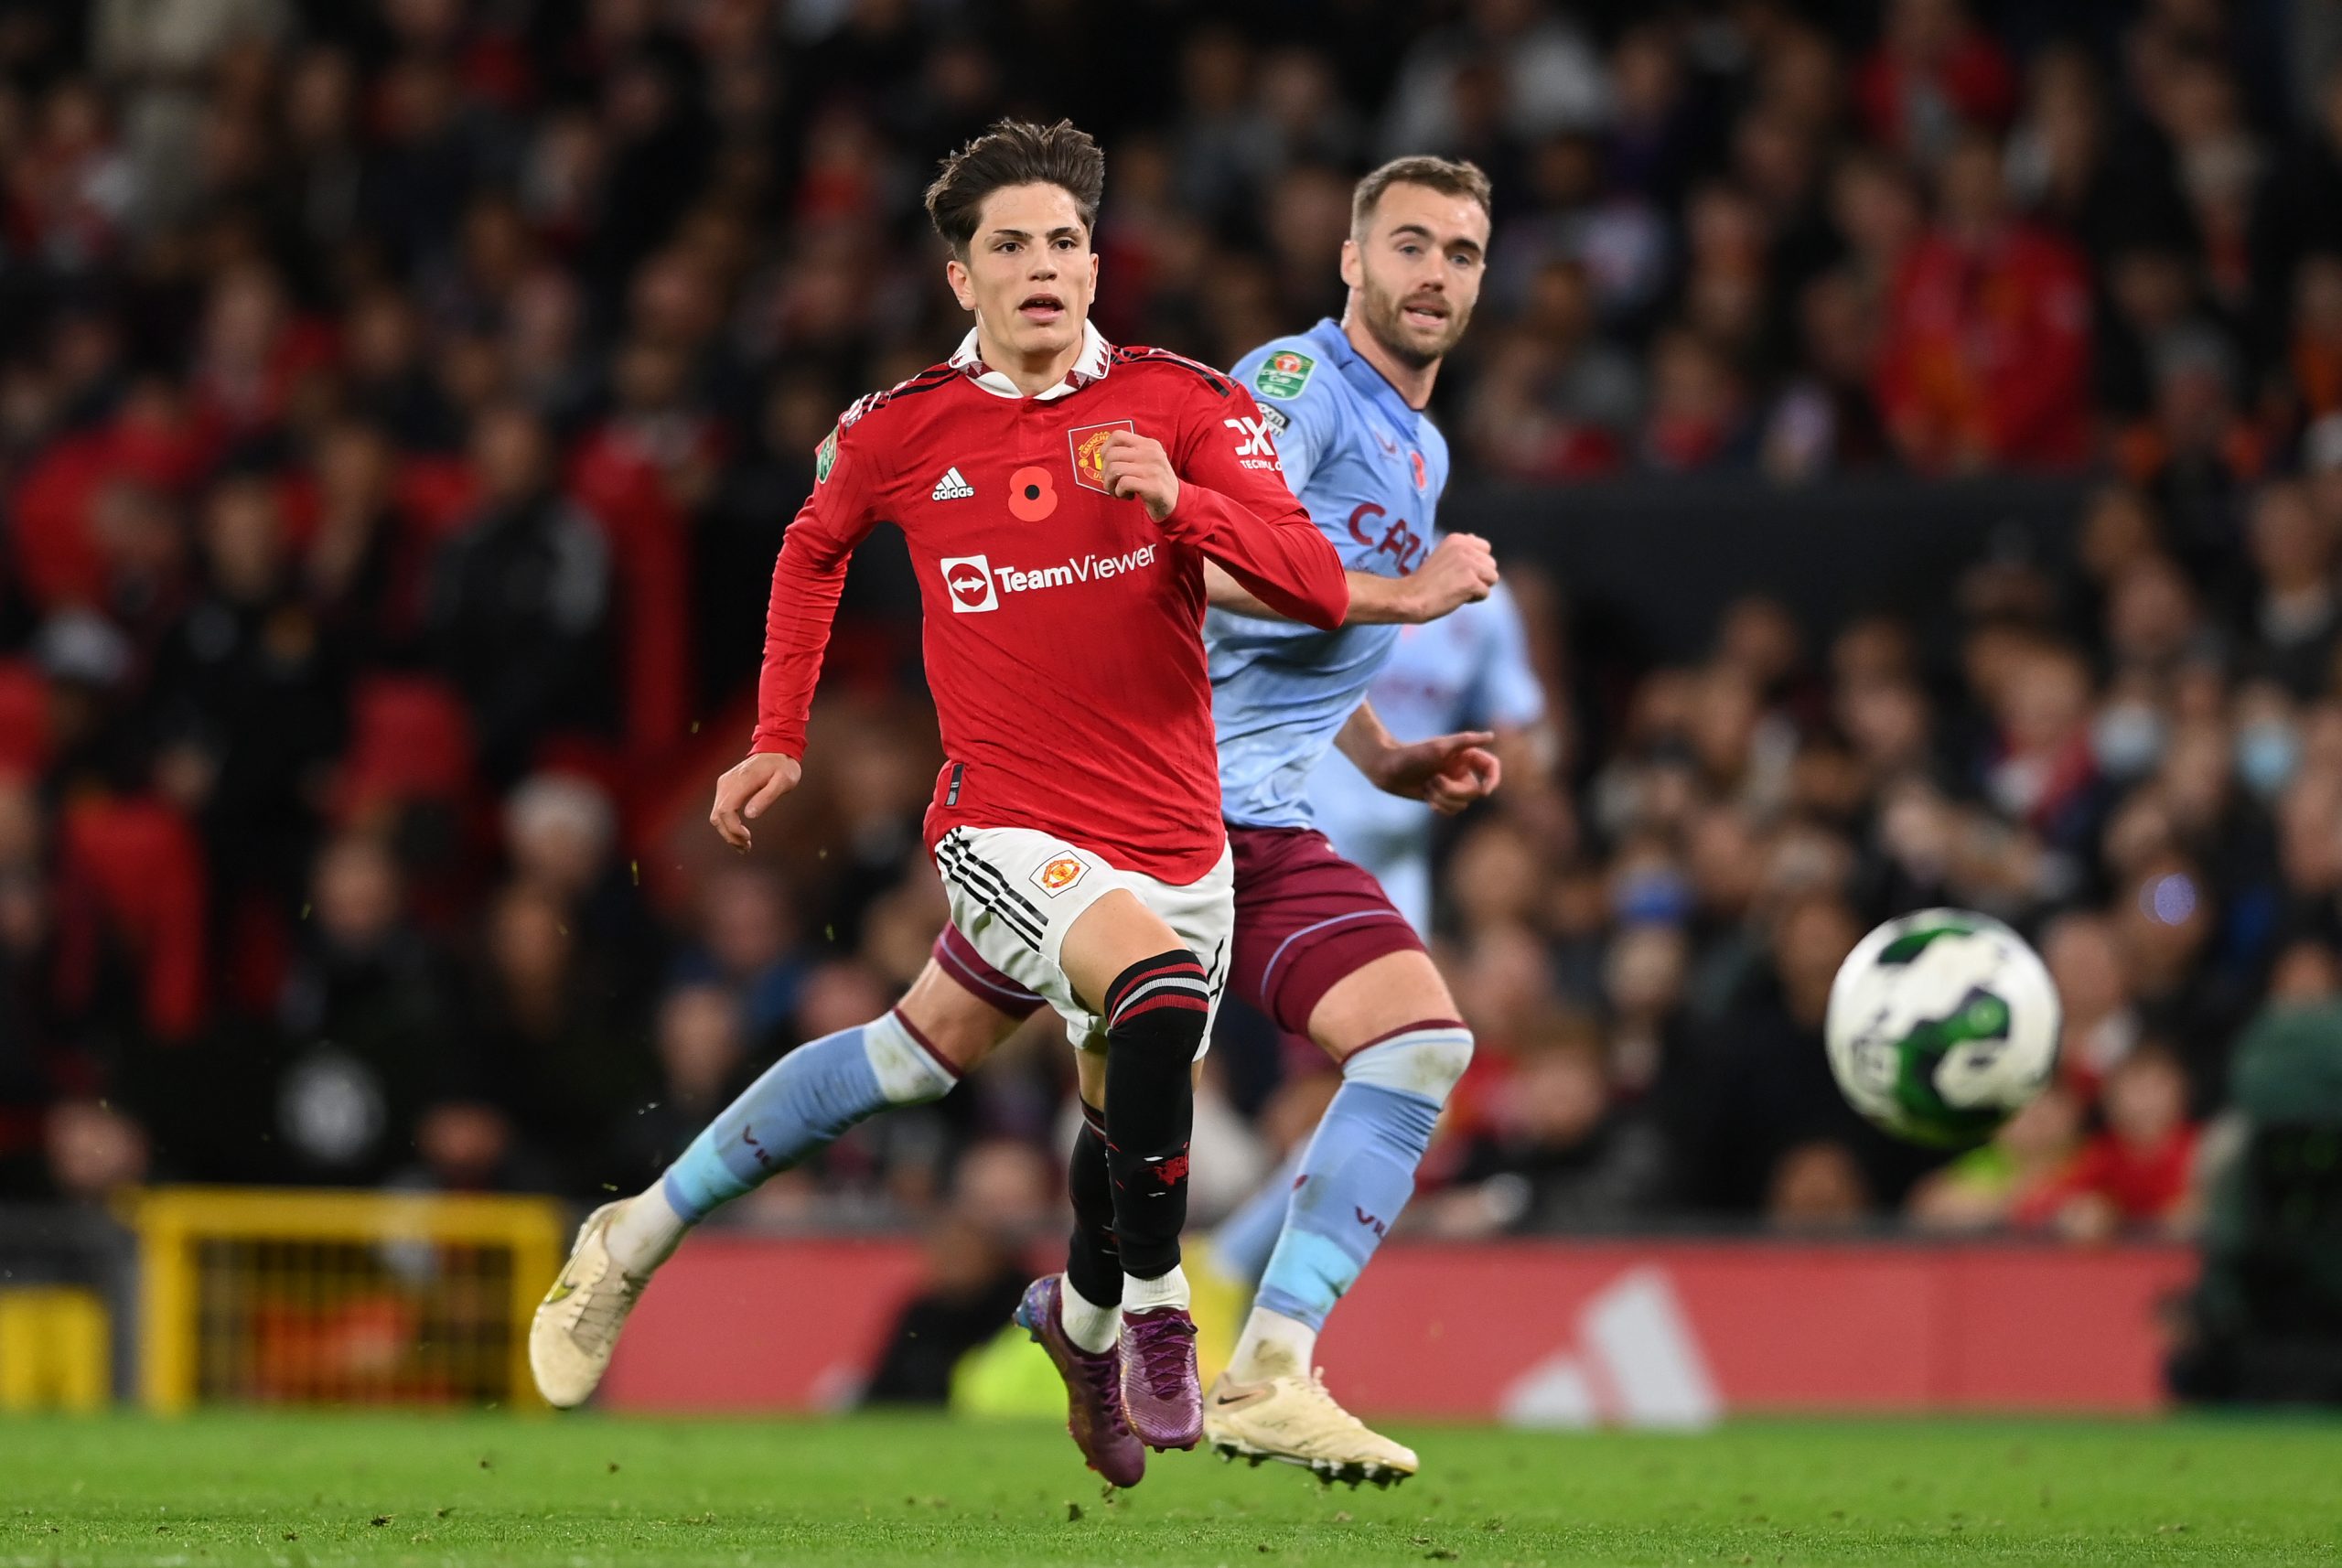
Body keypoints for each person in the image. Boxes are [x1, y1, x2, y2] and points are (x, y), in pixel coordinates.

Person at [532, 151, 1504, 1490]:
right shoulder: (1288, 385)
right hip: (1106, 810)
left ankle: (666, 1235)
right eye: (1409, 245)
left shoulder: (1240, 408)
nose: (1434, 275)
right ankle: (1226, 1347)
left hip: (1182, 815)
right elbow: (1229, 577)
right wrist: (777, 735)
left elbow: (1245, 584)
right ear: (1350, 260)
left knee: (938, 1058)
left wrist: (1382, 752)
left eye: (1460, 254)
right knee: (1378, 1039)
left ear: (1097, 262)